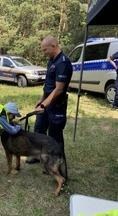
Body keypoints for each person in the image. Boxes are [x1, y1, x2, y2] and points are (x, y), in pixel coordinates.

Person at [26, 35, 73, 164]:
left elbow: (59, 89)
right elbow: (49, 84)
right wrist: (42, 100)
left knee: (54, 134)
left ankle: (57, 162)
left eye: (45, 50)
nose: (44, 53)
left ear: (53, 46)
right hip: (47, 101)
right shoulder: (52, 61)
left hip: (56, 104)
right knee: (39, 129)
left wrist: (44, 104)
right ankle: (37, 156)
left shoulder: (63, 62)